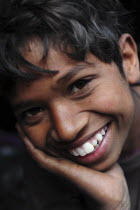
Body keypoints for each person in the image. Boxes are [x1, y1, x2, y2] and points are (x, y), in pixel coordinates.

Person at [0, 0, 140, 209]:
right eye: (33, 111)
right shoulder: (46, 168)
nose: (66, 130)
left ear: (127, 60)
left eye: (79, 85)